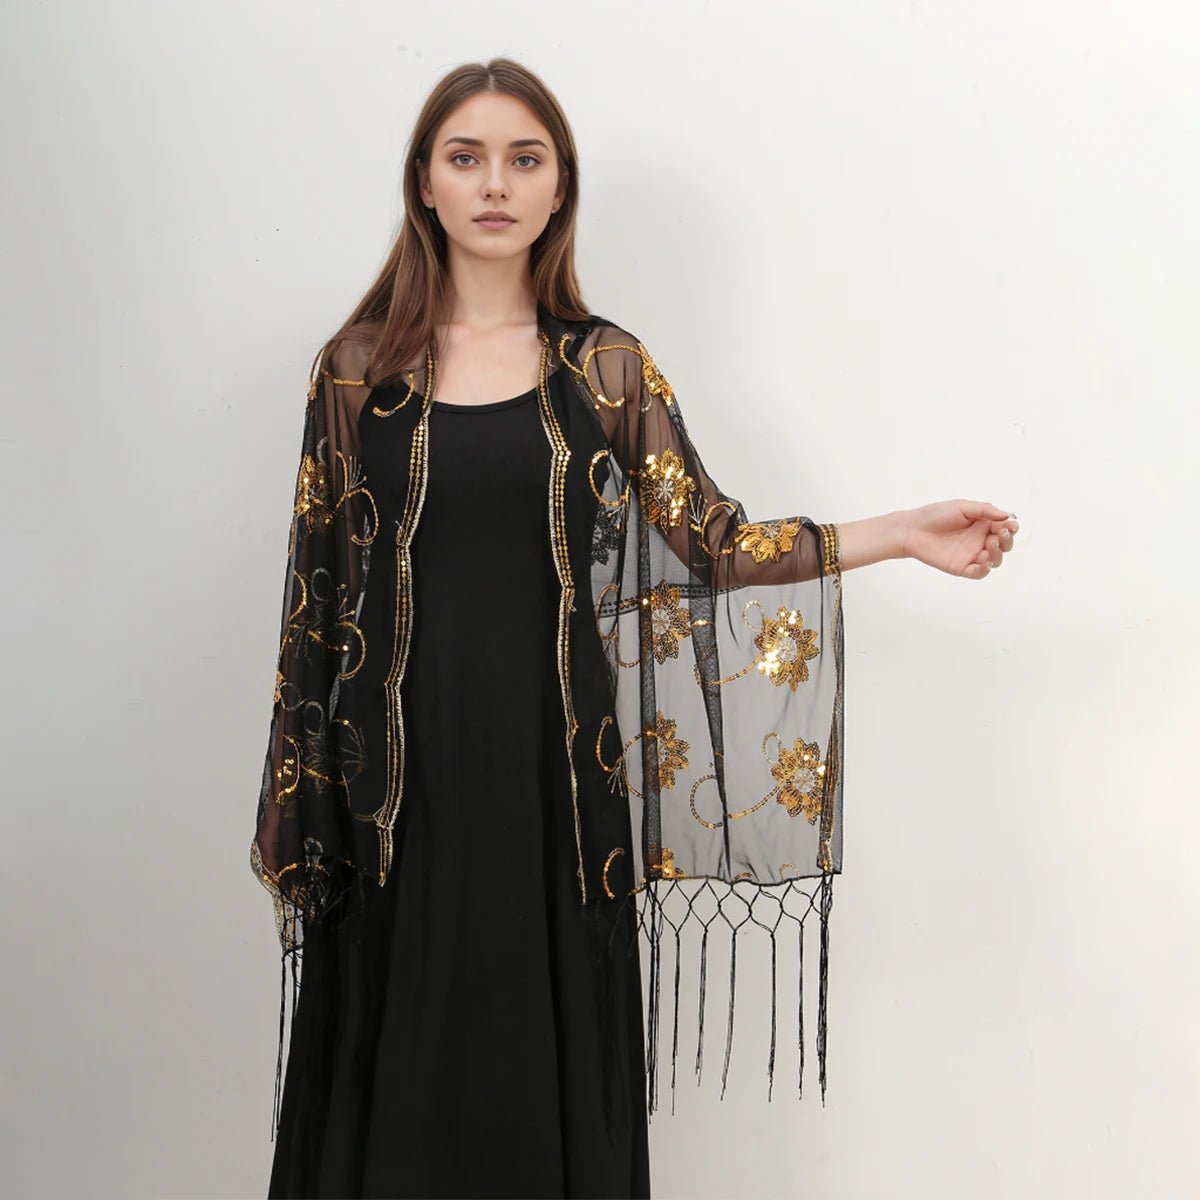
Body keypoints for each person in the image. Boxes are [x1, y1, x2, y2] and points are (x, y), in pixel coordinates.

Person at [250, 57, 1020, 1200]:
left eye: (524, 159)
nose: (495, 184)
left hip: (556, 790)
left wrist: (900, 533)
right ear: (424, 182)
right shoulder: (358, 372)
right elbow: (317, 603)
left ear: (559, 186)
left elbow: (714, 544)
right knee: (395, 1086)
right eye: (467, 158)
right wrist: (308, 807)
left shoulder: (603, 368)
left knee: (536, 1075)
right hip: (396, 795)